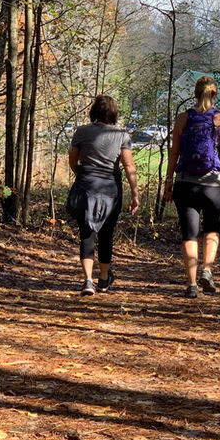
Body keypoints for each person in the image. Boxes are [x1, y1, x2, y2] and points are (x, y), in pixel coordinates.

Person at [163, 75, 220, 297]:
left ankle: (191, 284)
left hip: (185, 183)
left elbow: (174, 153)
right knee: (212, 230)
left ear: (195, 94)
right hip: (213, 185)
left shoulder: (182, 119)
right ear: (214, 94)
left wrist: (169, 182)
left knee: (189, 234)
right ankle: (206, 269)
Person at [67, 95, 139, 296]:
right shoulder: (122, 135)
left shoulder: (81, 132)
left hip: (86, 187)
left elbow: (73, 161)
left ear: (94, 112)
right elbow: (129, 166)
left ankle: (88, 280)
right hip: (111, 189)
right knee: (107, 234)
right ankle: (104, 279)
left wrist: (84, 175)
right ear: (114, 113)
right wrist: (135, 193)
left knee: (86, 233)